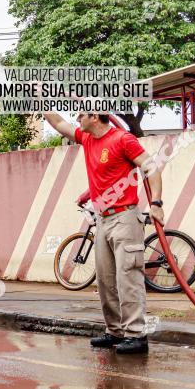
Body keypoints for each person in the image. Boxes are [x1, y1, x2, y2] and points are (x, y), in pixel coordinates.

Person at [44, 112, 163, 354]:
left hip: (125, 217)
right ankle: (115, 331)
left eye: (81, 115)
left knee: (127, 276)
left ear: (95, 116)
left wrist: (157, 203)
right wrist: (40, 99)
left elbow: (151, 168)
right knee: (106, 280)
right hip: (103, 219)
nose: (77, 119)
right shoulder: (88, 140)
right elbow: (58, 124)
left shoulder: (123, 139)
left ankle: (136, 335)